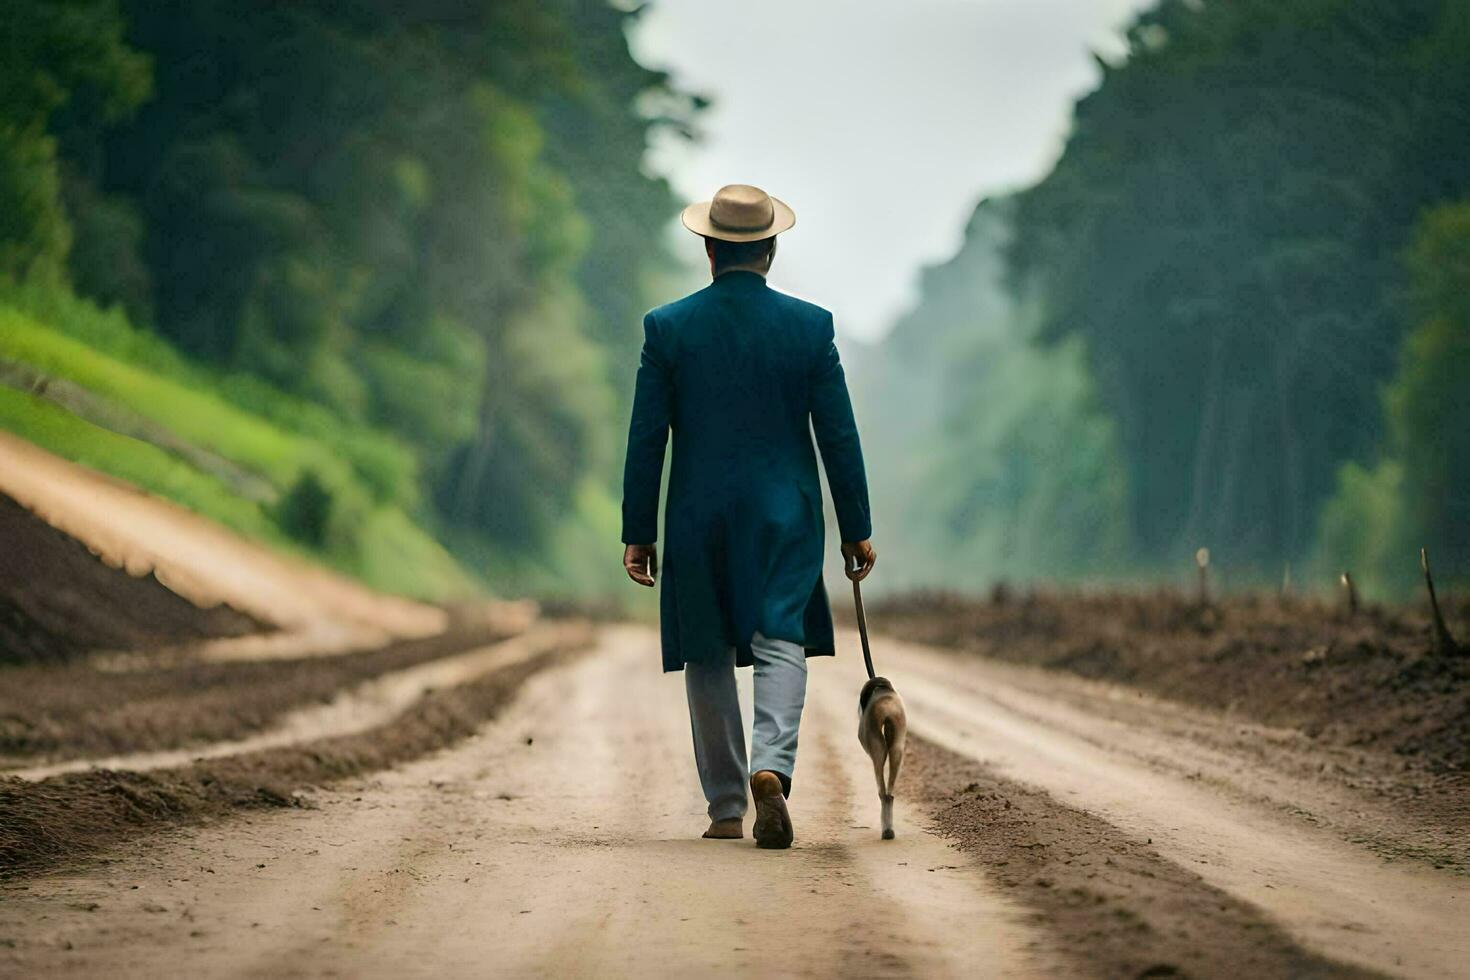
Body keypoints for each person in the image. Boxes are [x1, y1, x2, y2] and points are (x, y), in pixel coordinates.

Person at [620, 183, 876, 849]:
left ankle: (728, 806)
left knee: (706, 648)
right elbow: (838, 436)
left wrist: (637, 532)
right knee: (779, 638)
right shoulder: (810, 327)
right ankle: (772, 765)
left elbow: (647, 438)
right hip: (784, 513)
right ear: (771, 249)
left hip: (698, 512)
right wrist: (856, 526)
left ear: (709, 250)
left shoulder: (667, 328)